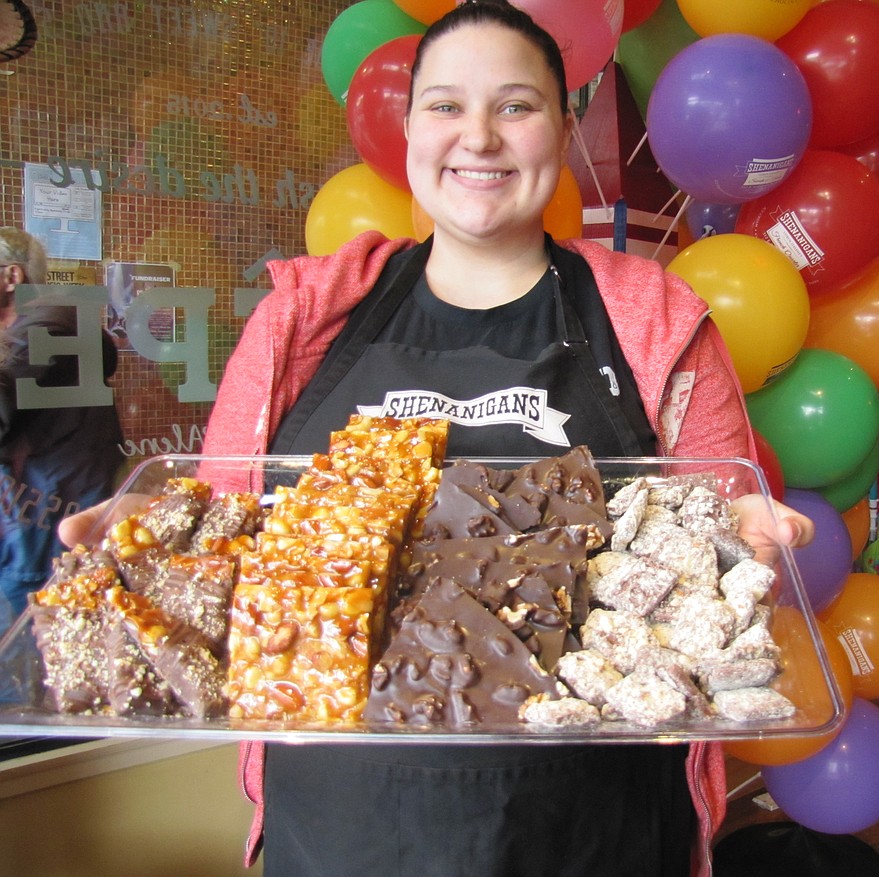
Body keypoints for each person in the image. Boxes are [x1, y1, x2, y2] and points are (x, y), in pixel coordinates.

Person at [61, 2, 814, 873]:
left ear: (563, 130)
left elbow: (719, 538)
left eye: (517, 105)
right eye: (446, 105)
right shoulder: (298, 323)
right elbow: (227, 517)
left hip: (591, 822)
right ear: (410, 127)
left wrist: (744, 542)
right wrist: (151, 542)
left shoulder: (656, 326)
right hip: (348, 818)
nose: (479, 137)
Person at [0, 228, 123, 635]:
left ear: (11, 277)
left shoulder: (37, 331)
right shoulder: (66, 320)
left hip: (41, 512)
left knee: (35, 630)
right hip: (62, 500)